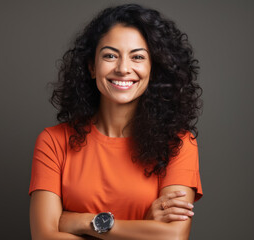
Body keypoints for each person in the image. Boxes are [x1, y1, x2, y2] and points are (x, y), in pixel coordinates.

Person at [29, 3, 203, 239]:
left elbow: (172, 237)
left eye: (138, 57)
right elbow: (44, 236)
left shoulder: (179, 144)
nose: (123, 68)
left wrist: (81, 221)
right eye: (110, 55)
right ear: (92, 66)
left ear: (154, 68)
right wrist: (144, 227)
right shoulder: (53, 141)